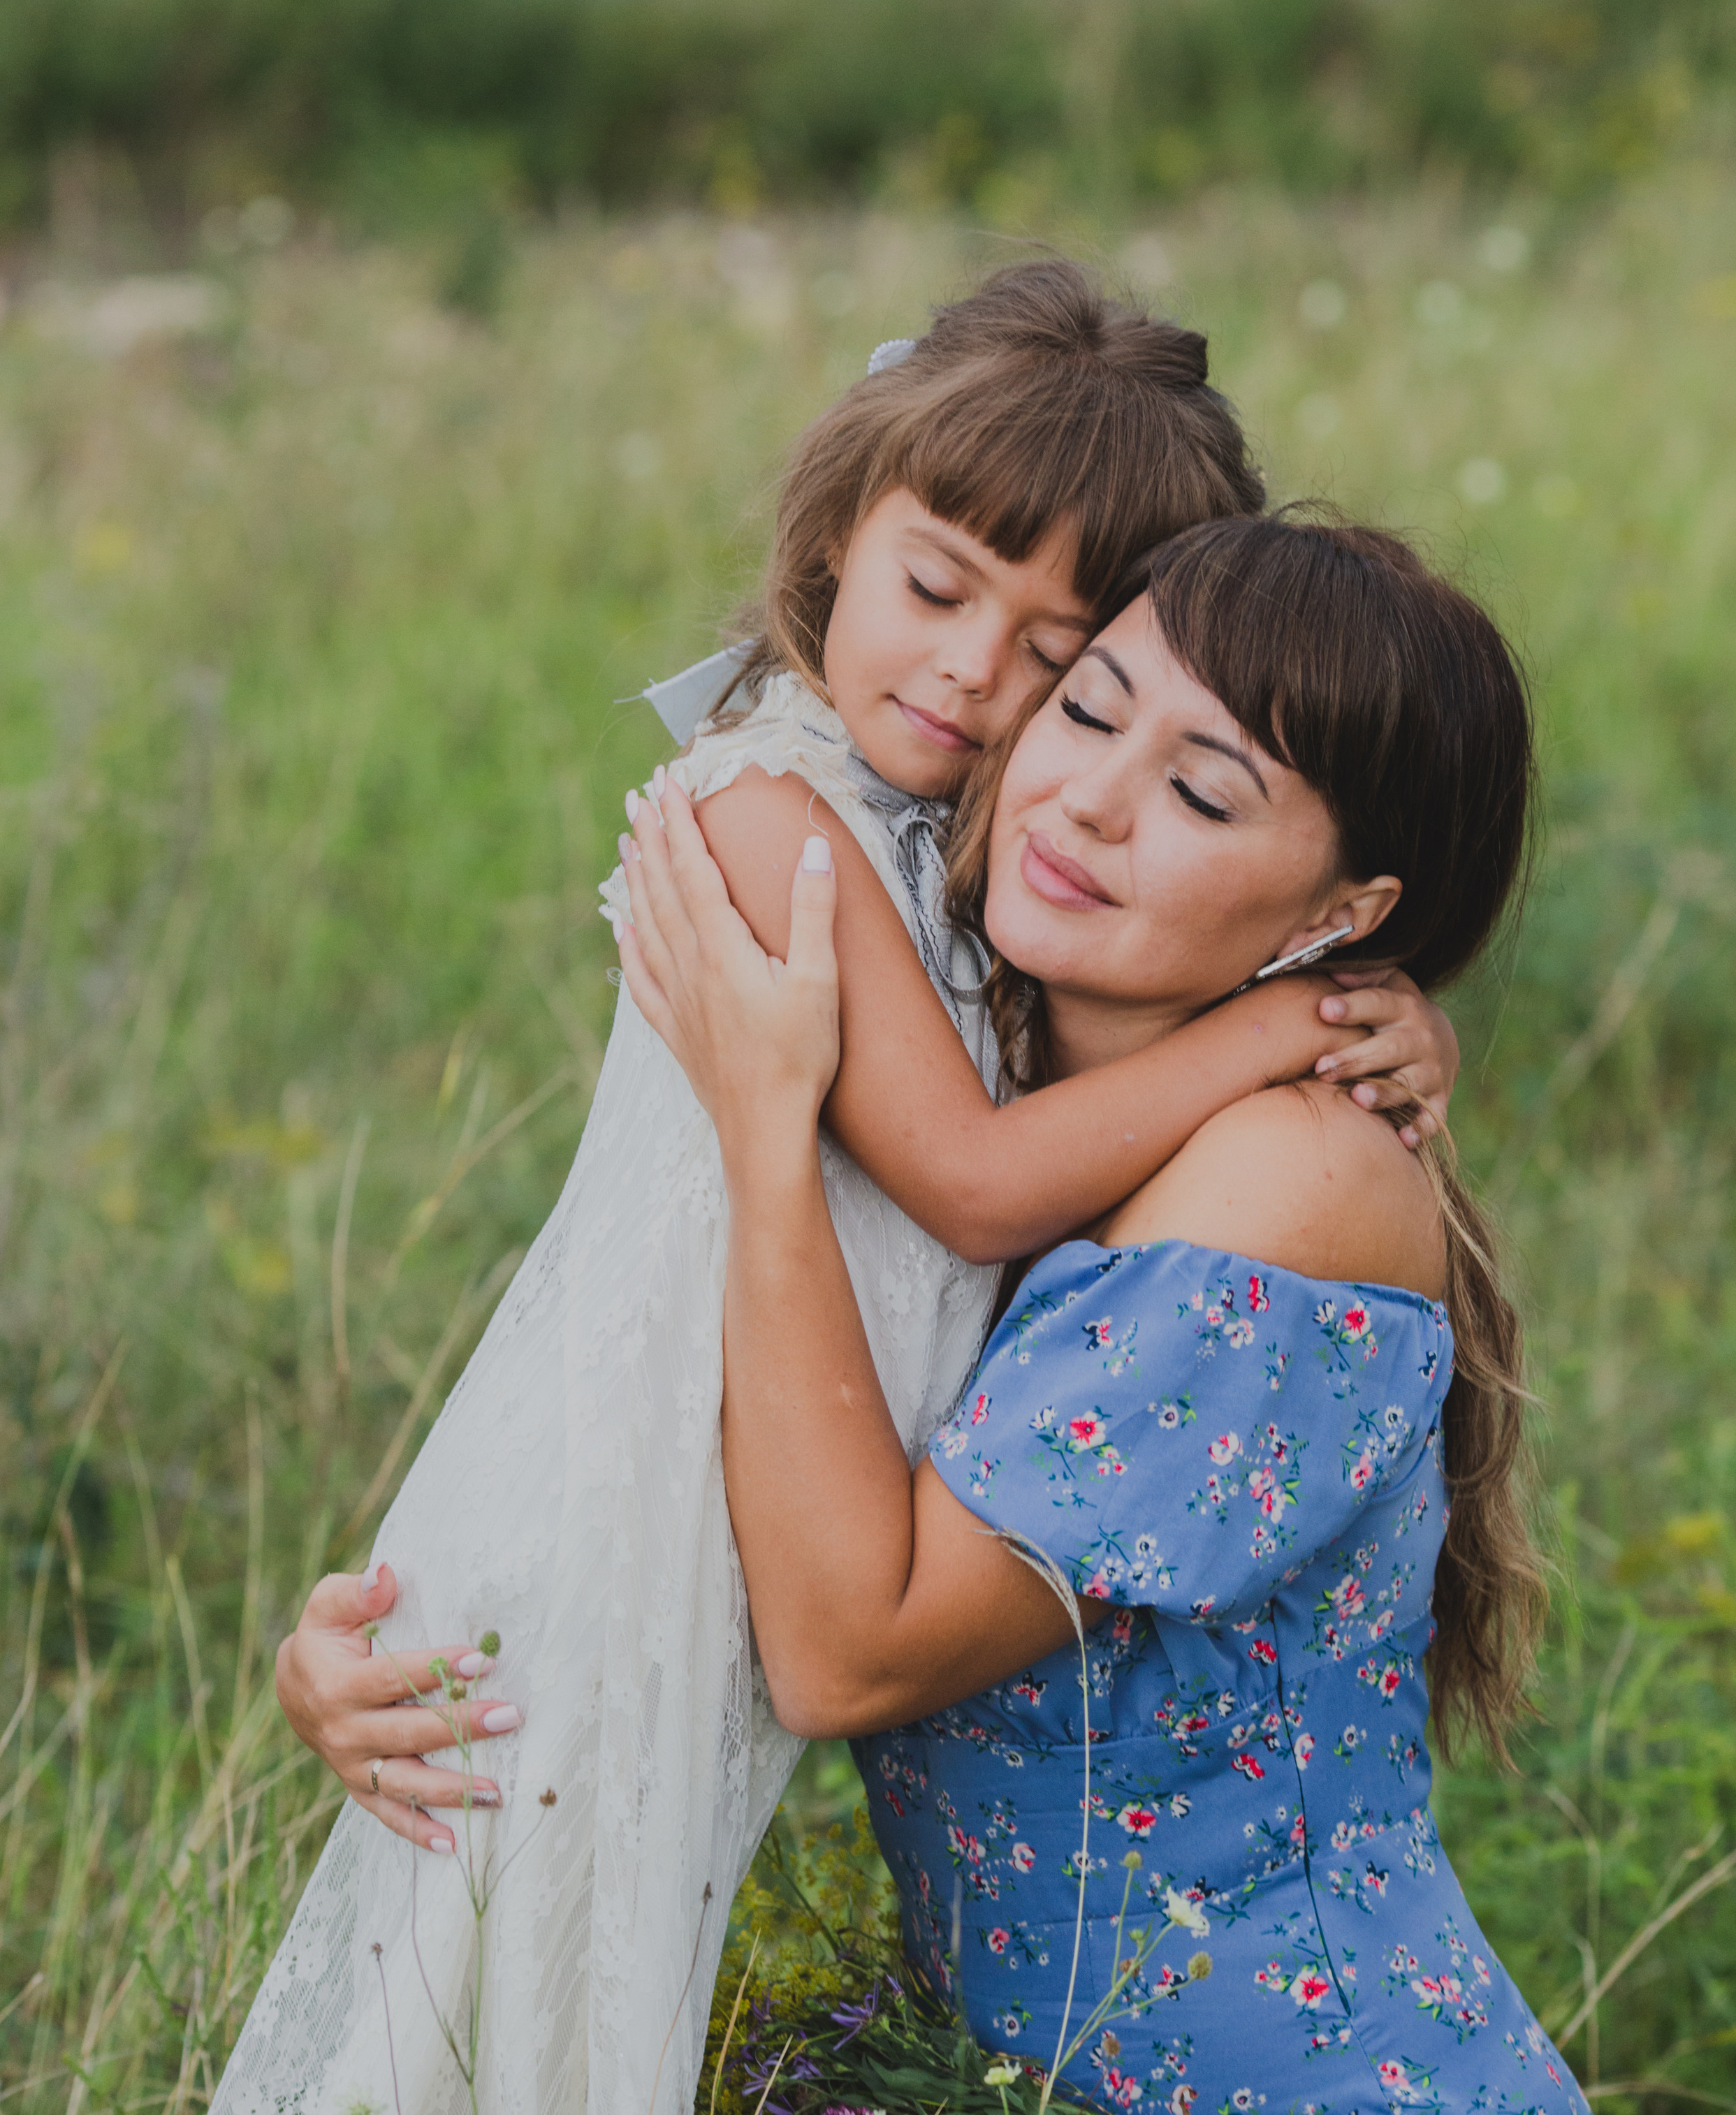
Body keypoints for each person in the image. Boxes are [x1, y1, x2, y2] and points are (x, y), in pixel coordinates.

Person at [235, 267, 1457, 2115]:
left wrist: (1364, 1022)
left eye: (1062, 659)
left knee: (562, 1992)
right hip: (625, 1517)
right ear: (833, 536)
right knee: (493, 1992)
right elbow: (972, 1188)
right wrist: (1280, 1030)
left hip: (752, 1561)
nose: (980, 680)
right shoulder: (769, 808)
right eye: (937, 591)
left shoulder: (968, 870)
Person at [616, 513, 1587, 2115]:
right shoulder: (985, 1091)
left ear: (1342, 917)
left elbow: (849, 1653)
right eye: (1084, 707)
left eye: (1201, 792)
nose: (1089, 799)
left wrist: (765, 1136)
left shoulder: (1288, 1181)